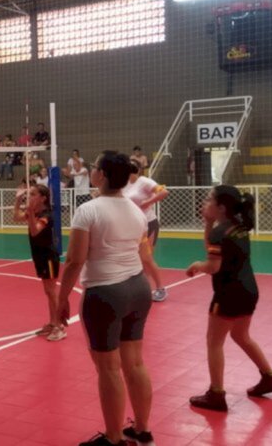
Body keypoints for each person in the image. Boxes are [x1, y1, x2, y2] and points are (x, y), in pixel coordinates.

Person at [58, 151, 155, 446]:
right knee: (135, 364)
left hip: (106, 293)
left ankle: (114, 438)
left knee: (109, 368)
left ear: (101, 175)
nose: (93, 170)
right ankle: (141, 428)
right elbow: (141, 252)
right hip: (139, 289)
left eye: (95, 167)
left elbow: (75, 260)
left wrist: (61, 300)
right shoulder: (136, 210)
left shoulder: (88, 210)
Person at [186, 185, 272, 411]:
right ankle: (270, 377)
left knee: (214, 341)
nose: (204, 203)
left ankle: (216, 393)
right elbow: (213, 249)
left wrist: (196, 266)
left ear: (220, 207)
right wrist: (208, 224)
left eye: (209, 200)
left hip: (228, 293)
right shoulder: (238, 227)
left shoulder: (220, 232)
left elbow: (212, 264)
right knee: (241, 335)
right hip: (249, 289)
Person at [14, 184, 65, 341]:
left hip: (49, 256)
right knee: (48, 292)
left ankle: (59, 327)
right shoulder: (35, 212)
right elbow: (16, 218)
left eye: (33, 194)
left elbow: (35, 231)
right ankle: (52, 323)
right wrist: (17, 201)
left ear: (43, 198)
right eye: (29, 194)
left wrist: (29, 214)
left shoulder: (46, 214)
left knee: (51, 292)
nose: (29, 197)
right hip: (39, 256)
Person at [124, 160, 169, 302]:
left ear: (138, 169)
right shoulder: (123, 183)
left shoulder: (144, 181)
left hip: (148, 224)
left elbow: (164, 192)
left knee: (146, 259)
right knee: (133, 259)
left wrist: (148, 202)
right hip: (132, 225)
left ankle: (160, 288)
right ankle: (141, 290)